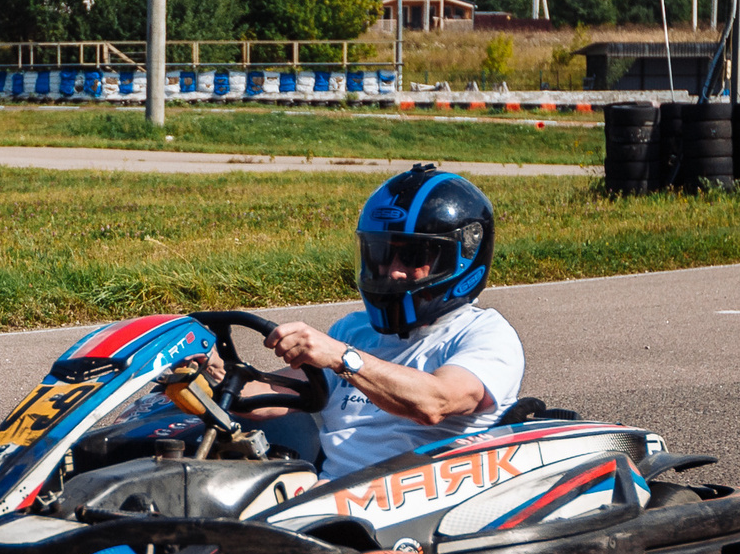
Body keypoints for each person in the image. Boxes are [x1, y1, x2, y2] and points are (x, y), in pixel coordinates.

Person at [209, 163, 524, 473]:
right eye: (381, 254)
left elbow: (436, 403)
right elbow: (270, 398)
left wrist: (342, 358)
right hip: (328, 494)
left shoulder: (484, 333)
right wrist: (207, 370)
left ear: (461, 260)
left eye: (413, 257)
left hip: (419, 495)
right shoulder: (354, 330)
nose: (393, 271)